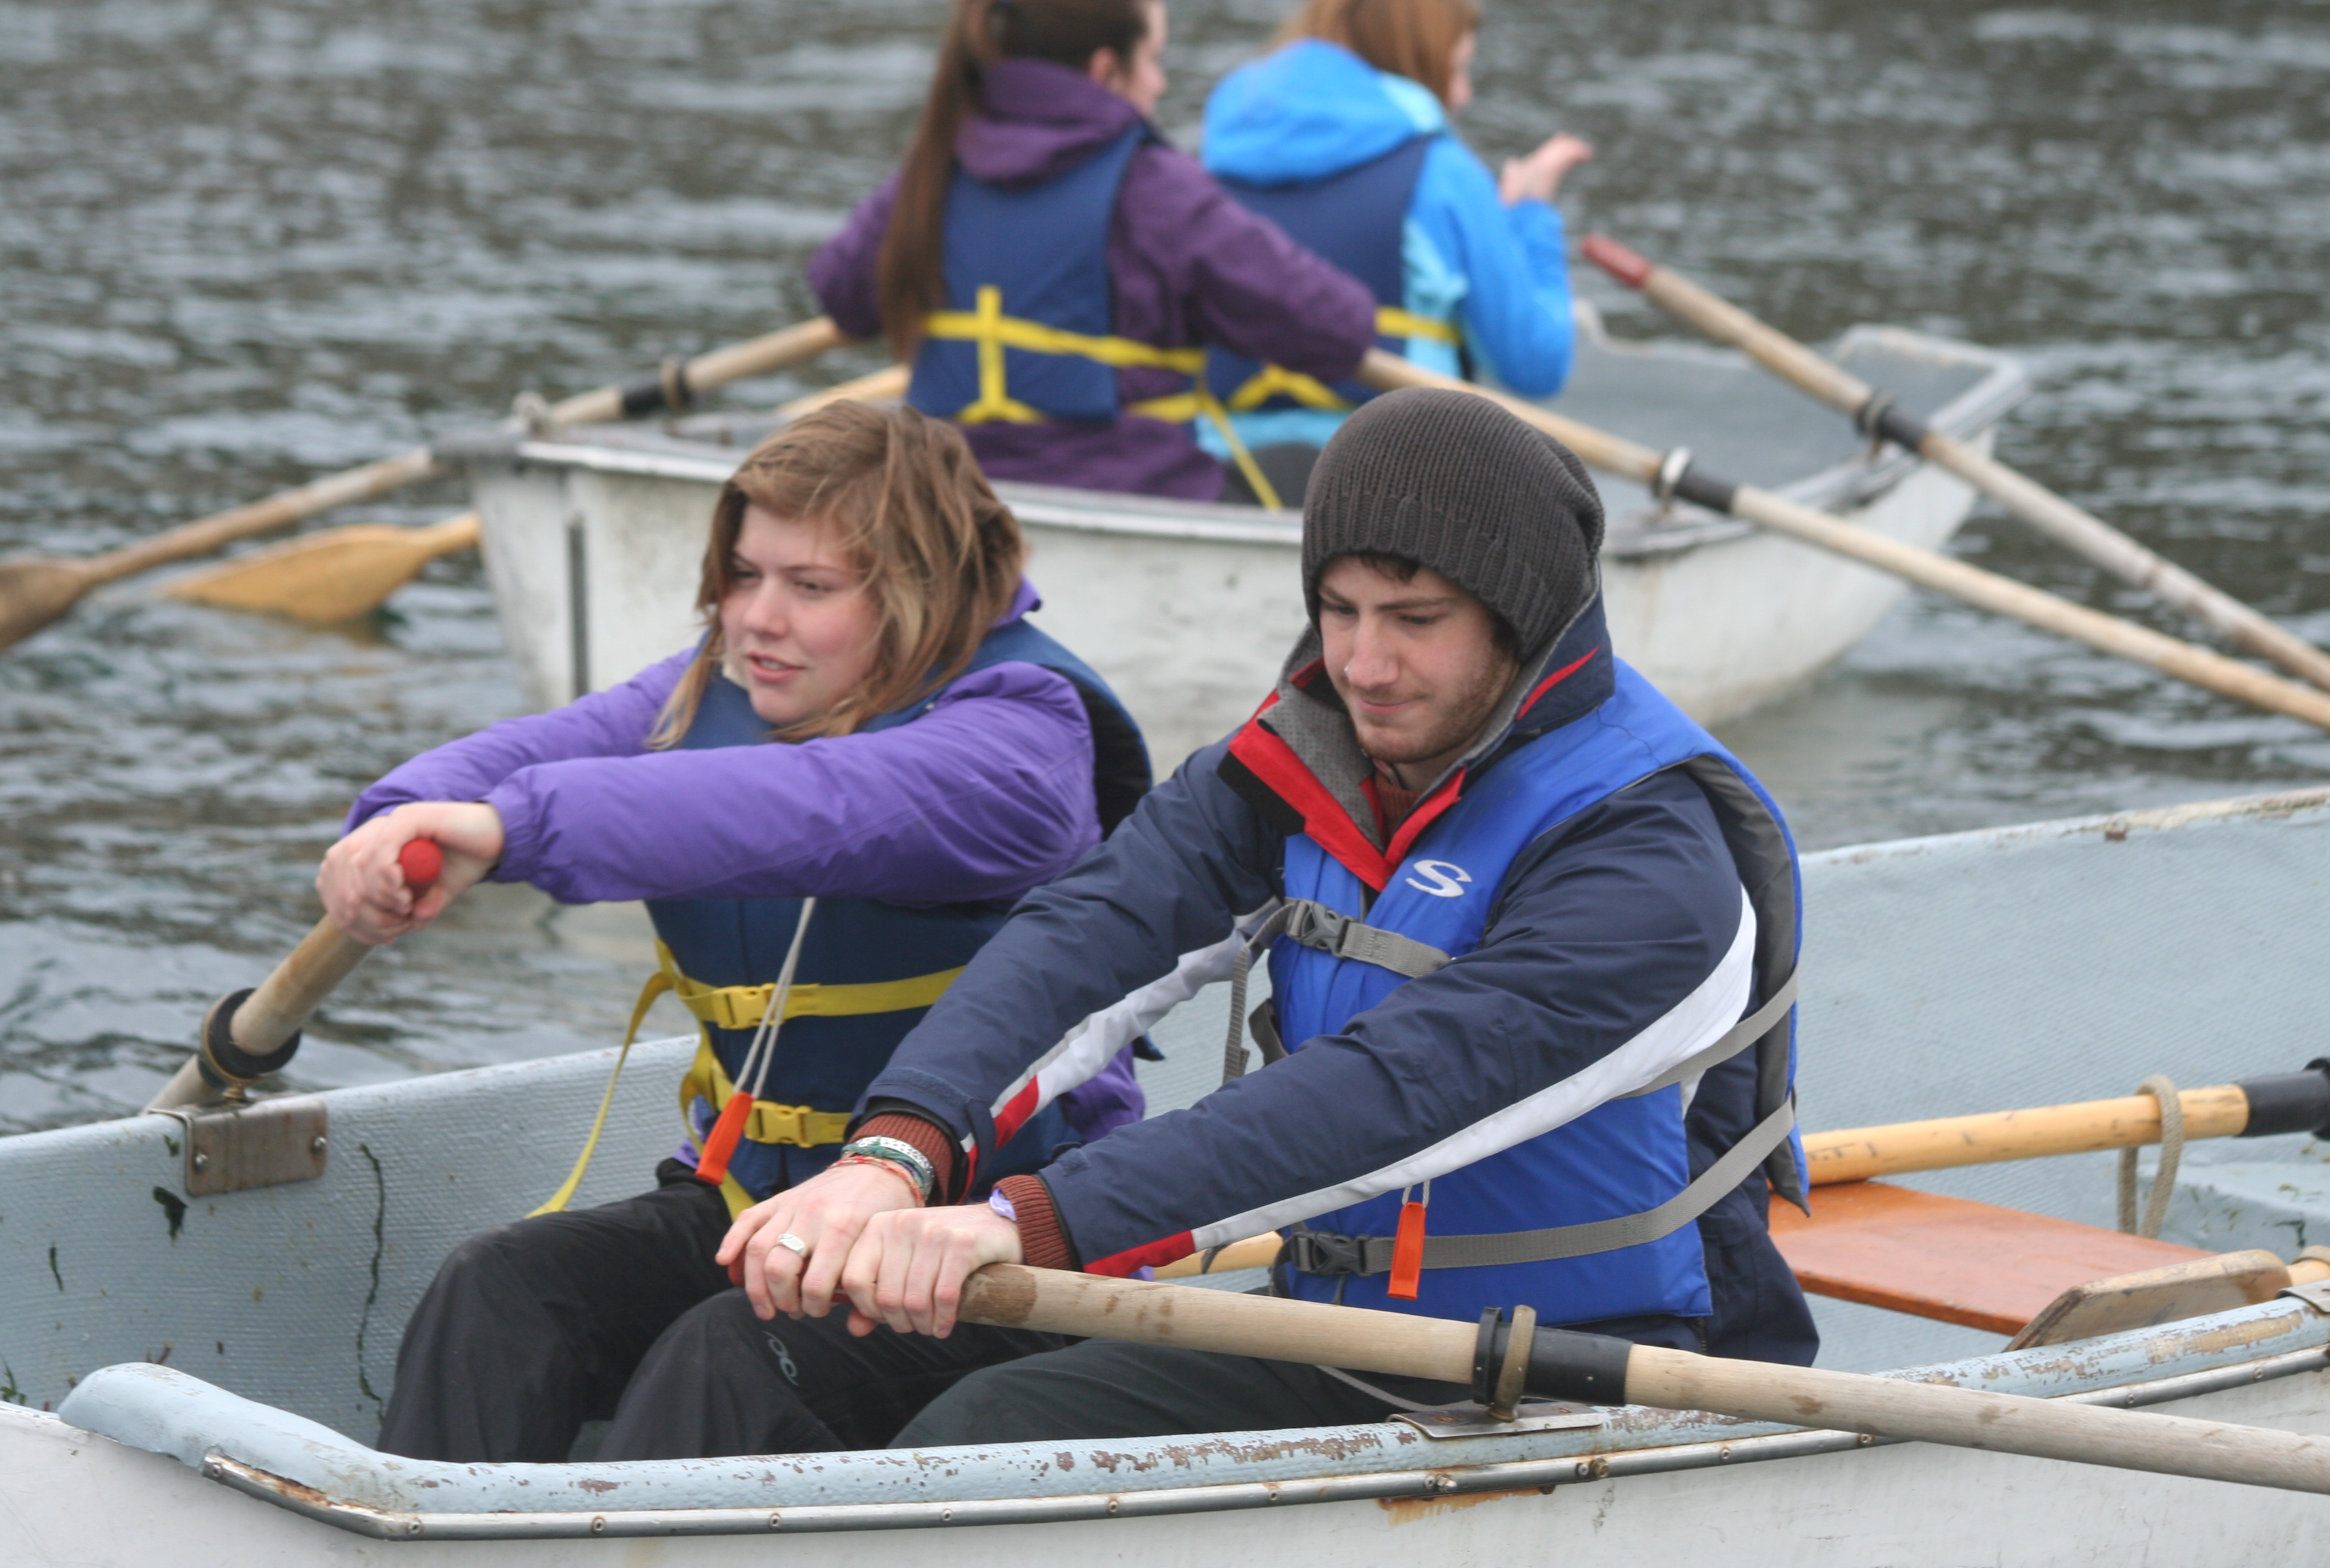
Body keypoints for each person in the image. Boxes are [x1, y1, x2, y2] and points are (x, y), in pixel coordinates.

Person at [716, 387, 1817, 1447]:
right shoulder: (1309, 754)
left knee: (985, 1434)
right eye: (1339, 610)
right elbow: (1090, 932)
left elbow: (1400, 1090)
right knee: (753, 1351)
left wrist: (1028, 1219)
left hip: (1595, 1368)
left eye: (1416, 619)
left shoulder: (1653, 858)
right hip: (1335, 1329)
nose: (1364, 665)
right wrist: (895, 1150)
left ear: (1520, 620)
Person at [325, 402, 1154, 1461]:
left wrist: (511, 829)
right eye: (744, 574)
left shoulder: (1022, 748)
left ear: (924, 593)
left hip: (988, 1243)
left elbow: (807, 810)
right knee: (504, 1286)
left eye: (811, 587)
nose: (757, 618)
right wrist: (397, 822)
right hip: (759, 1201)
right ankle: (428, 1529)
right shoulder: (704, 693)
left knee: (730, 1352)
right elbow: (516, 758)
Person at [808, 0, 1378, 510]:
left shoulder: (933, 170)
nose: (1158, 83)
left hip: (953, 501)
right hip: (1132, 493)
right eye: (1152, 60)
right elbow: (1333, 327)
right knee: (1305, 469)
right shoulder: (1157, 188)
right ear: (1105, 69)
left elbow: (840, 295)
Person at [1195, 0, 1593, 463]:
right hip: (1395, 480)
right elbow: (1536, 364)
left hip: (1228, 469)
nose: (1463, 95)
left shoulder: (1207, 166)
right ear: (1414, 57)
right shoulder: (1442, 174)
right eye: (1457, 69)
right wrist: (1530, 216)